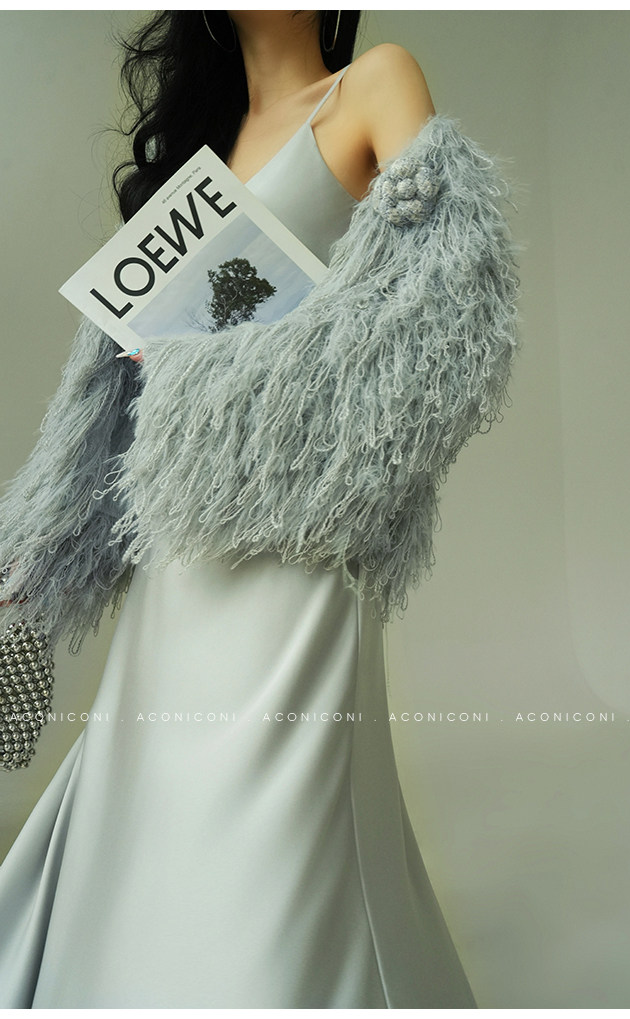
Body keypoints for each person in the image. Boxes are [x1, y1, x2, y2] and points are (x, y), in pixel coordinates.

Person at [0, 9, 520, 1009]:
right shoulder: (199, 153)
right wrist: (43, 548)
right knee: (146, 810)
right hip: (180, 563)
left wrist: (218, 388)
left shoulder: (373, 83)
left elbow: (451, 303)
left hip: (297, 549)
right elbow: (115, 404)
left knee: (279, 844)